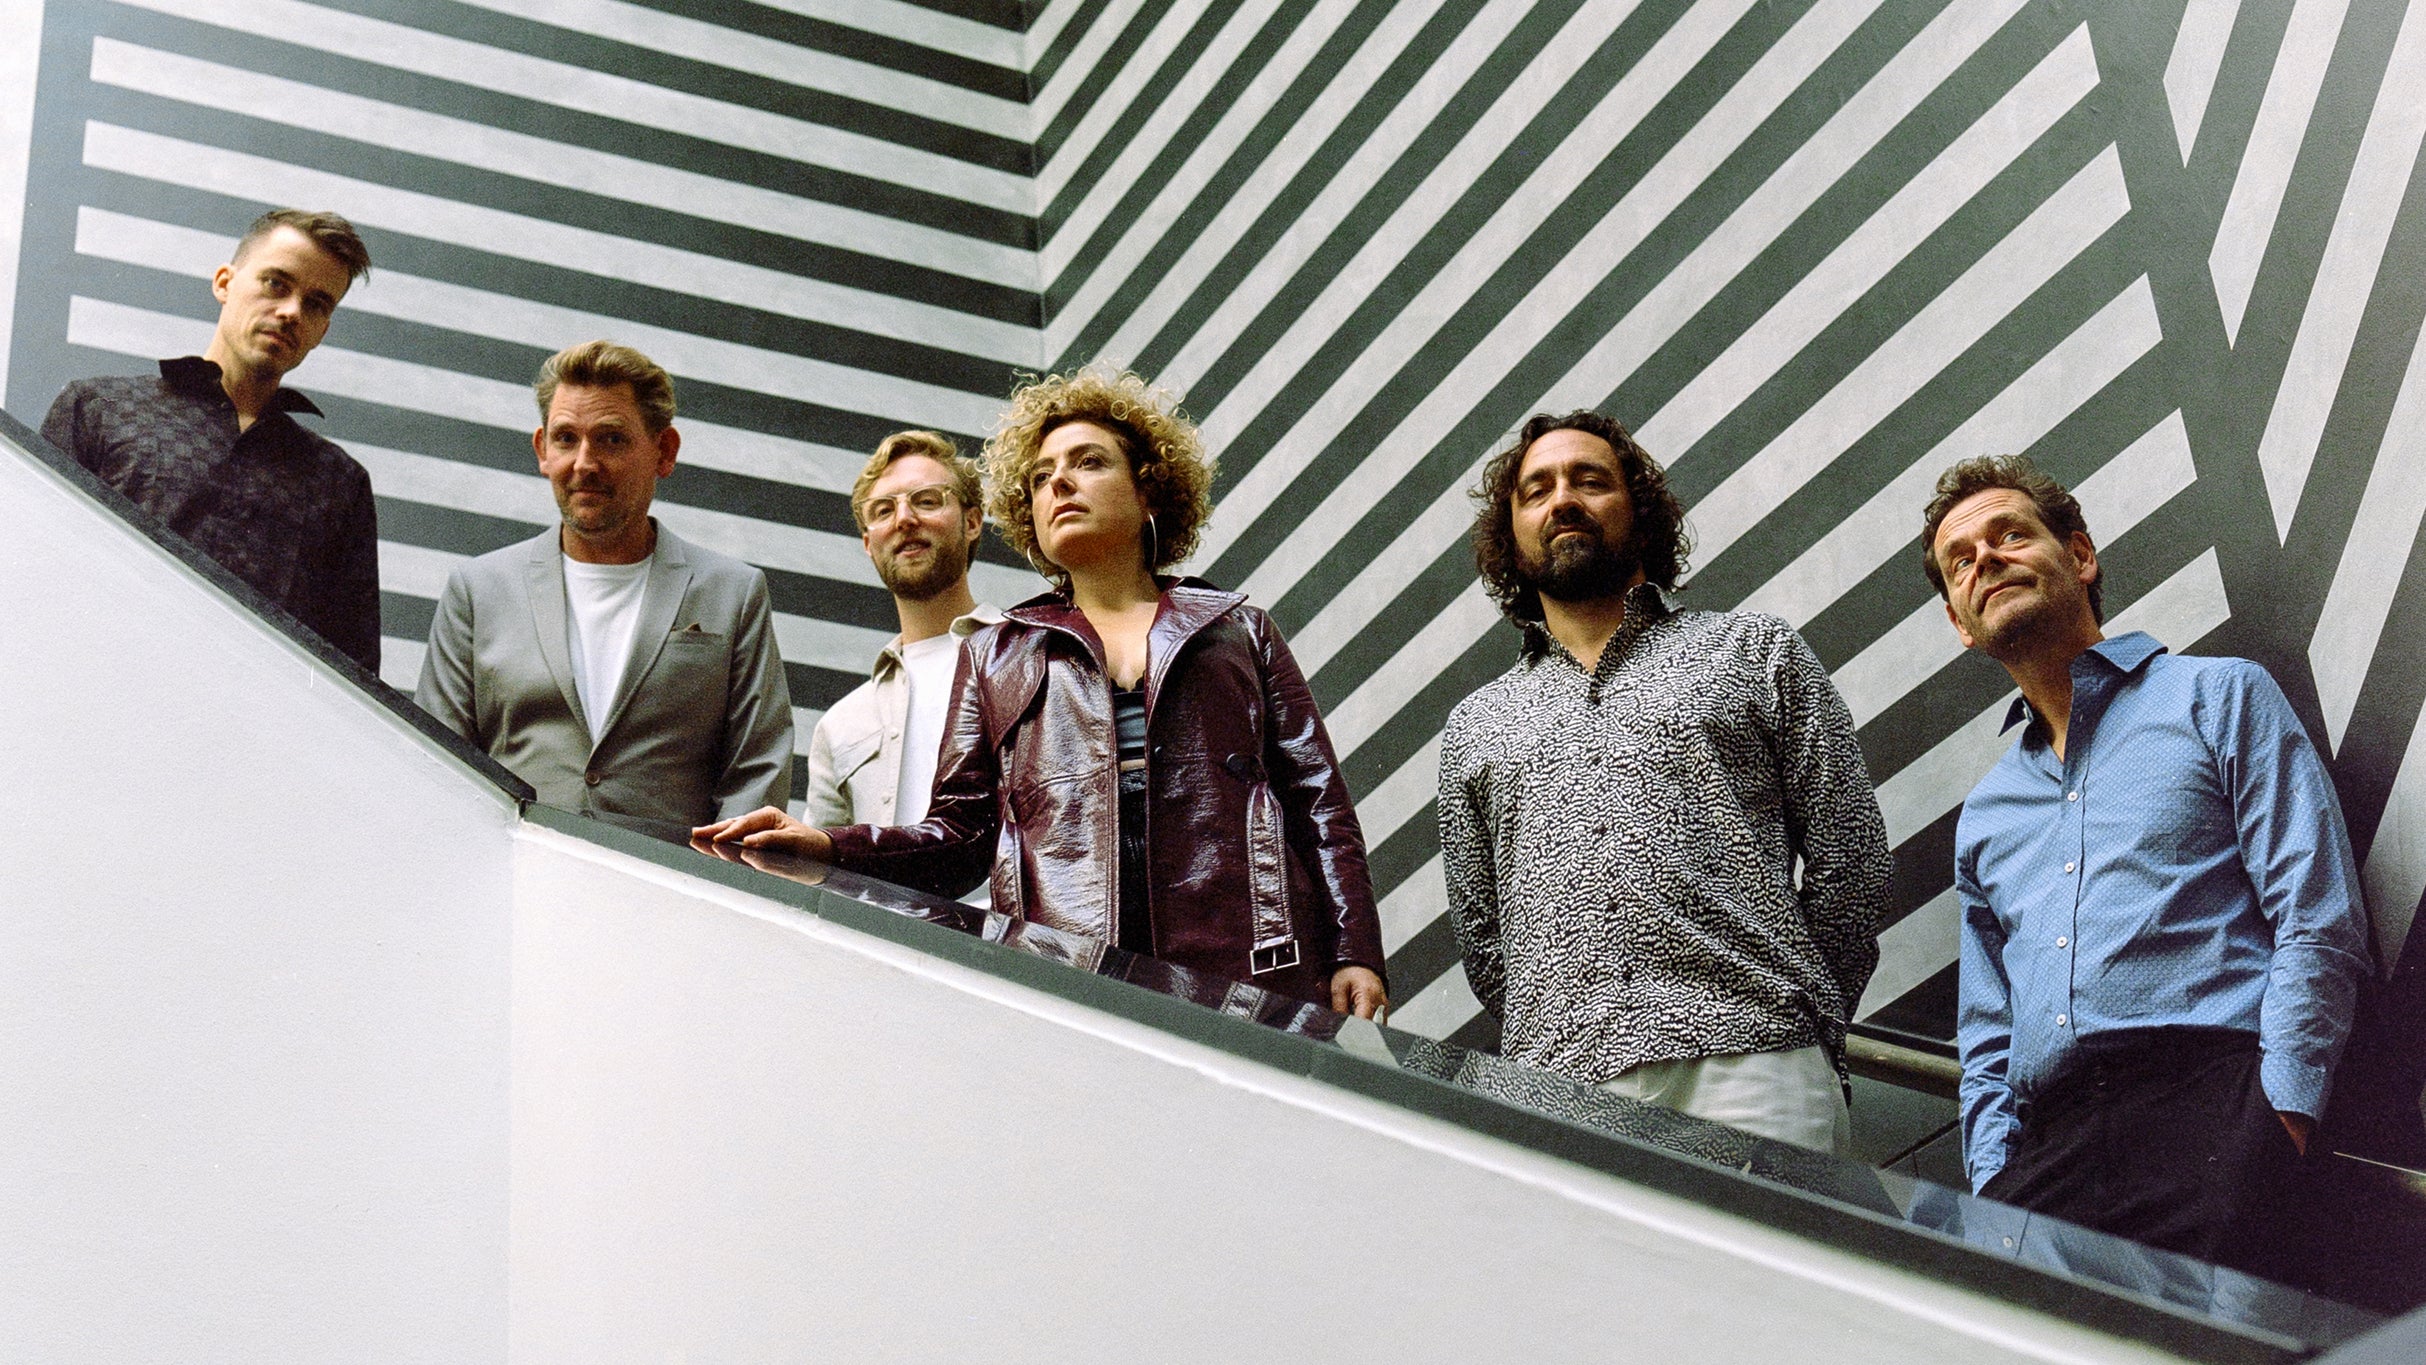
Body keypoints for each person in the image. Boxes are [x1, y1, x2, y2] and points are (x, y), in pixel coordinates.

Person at [700, 365, 1388, 1017]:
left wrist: (1355, 950)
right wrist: (829, 845)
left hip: (1252, 968)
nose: (1060, 482)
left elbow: (1319, 802)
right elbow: (960, 834)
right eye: (1040, 476)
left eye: (1088, 462)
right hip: (1069, 973)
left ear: (1148, 490)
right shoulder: (997, 653)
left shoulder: (1239, 629)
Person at [1925, 454, 2371, 1272]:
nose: (1984, 558)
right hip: (2047, 1163)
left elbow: (2317, 914)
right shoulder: (1986, 816)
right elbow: (1987, 1037)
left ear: (2080, 555)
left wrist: (2281, 1115)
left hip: (2216, 1116)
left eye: (2009, 534)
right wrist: (1992, 1181)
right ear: (1960, 622)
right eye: (1960, 561)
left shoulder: (2218, 697)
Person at [1439, 410, 1887, 1154]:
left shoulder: (1753, 650)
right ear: (1511, 539)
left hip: (1756, 1063)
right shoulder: (1475, 725)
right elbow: (1486, 944)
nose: (1563, 500)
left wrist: (1794, 1011)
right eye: (1537, 490)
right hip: (1557, 1094)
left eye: (1589, 480)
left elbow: (1852, 857)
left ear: (1640, 513)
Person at [415, 341, 792, 829]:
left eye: (611, 439)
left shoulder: (733, 593)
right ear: (542, 450)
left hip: (668, 875)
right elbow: (437, 763)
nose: (584, 463)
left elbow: (757, 773)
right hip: (511, 870)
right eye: (566, 439)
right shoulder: (477, 591)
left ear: (664, 451)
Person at [43, 208, 381, 670]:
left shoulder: (339, 482)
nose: (291, 312)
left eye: (317, 304)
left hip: (251, 712)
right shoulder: (99, 409)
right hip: (93, 687)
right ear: (225, 283)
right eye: (276, 283)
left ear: (322, 330)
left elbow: (352, 675)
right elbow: (33, 574)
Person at [804, 431, 1002, 826]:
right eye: (882, 510)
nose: (904, 519)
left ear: (972, 522)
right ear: (868, 543)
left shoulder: (1033, 657)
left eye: (927, 500)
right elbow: (815, 861)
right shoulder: (840, 726)